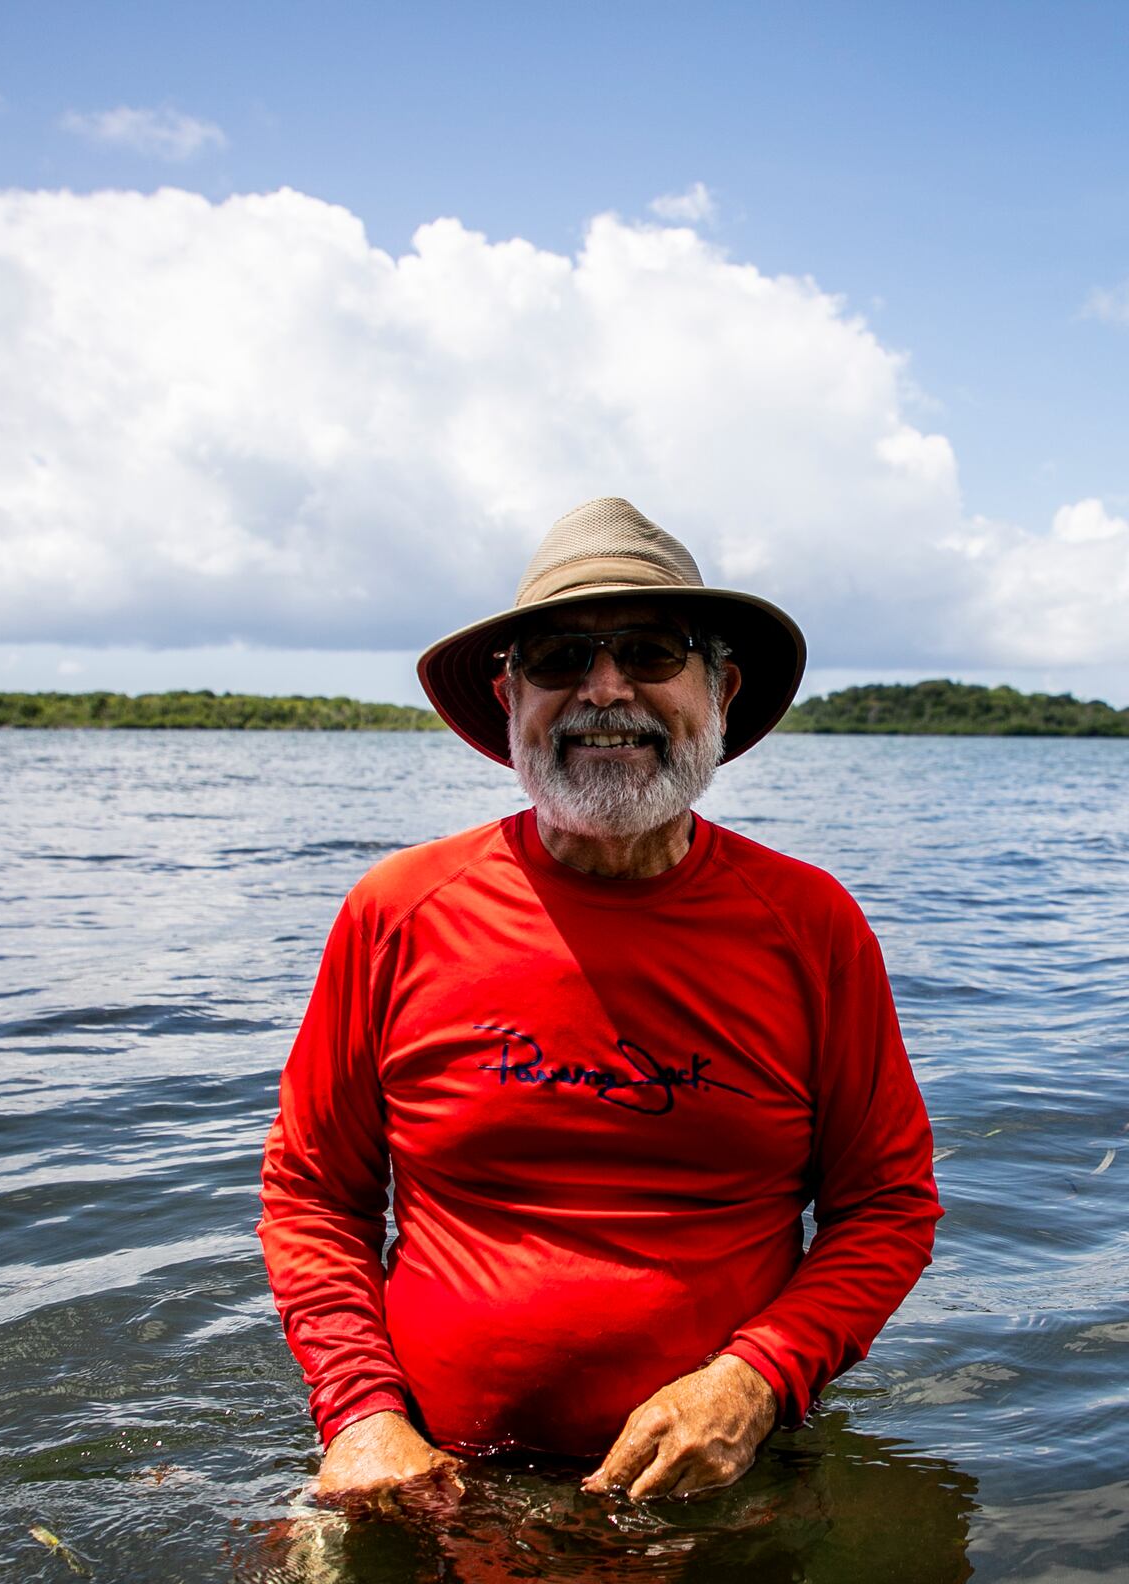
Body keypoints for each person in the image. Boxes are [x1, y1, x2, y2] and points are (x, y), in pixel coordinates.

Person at [258, 496, 941, 1504]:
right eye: (560, 658)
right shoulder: (397, 911)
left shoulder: (809, 923)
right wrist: (361, 1415)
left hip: (722, 1482)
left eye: (651, 651)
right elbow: (314, 1194)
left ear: (720, 690)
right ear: (509, 698)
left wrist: (754, 1382)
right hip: (426, 1485)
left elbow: (885, 1206)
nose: (605, 690)